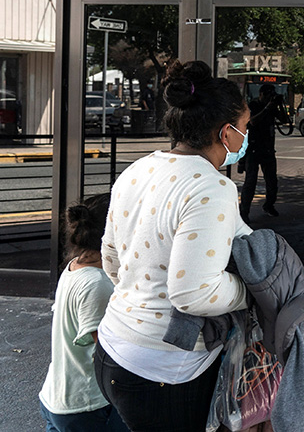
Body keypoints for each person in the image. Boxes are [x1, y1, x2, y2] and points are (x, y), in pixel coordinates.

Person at [95, 60, 254, 432]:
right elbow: (194, 295)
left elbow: (111, 258)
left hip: (113, 348)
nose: (247, 137)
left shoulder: (138, 169)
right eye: (245, 128)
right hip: (164, 369)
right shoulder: (211, 187)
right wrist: (252, 290)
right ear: (225, 133)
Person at [39, 193, 129, 432]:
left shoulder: (75, 266)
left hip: (58, 396)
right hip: (87, 406)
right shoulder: (96, 283)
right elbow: (108, 353)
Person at [240, 83, 286, 219]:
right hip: (253, 149)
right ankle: (244, 211)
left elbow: (284, 120)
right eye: (267, 95)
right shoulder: (253, 106)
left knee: (272, 181)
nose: (268, 98)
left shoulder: (272, 107)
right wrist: (267, 108)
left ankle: (269, 205)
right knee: (250, 182)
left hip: (268, 149)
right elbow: (252, 122)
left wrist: (279, 106)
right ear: (261, 94)